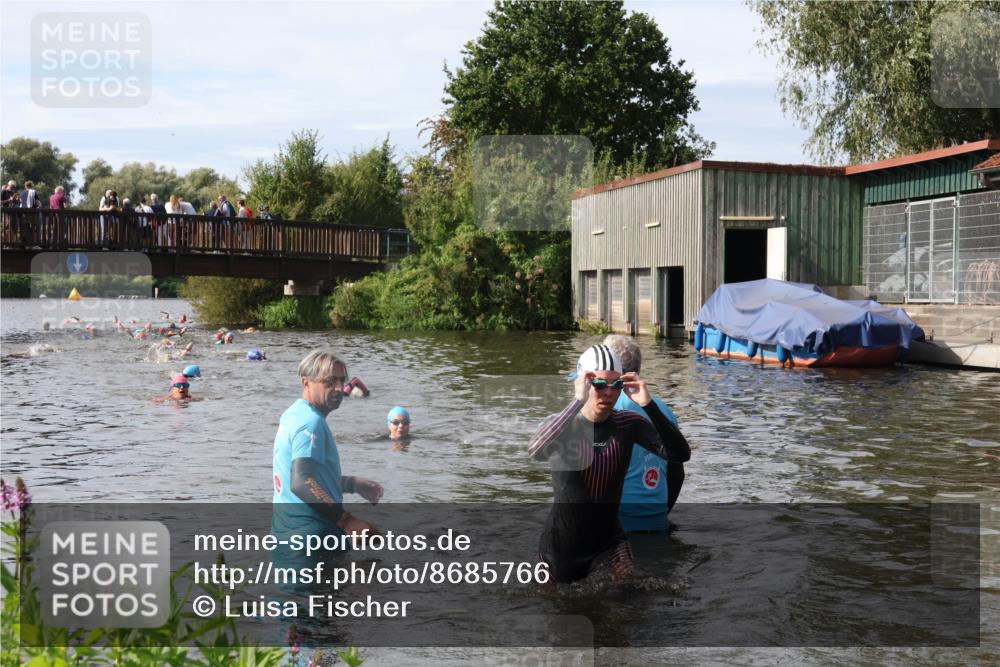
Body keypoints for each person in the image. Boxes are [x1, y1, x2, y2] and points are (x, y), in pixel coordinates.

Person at [527, 344, 690, 585]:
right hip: (560, 549)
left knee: (627, 609)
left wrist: (649, 406)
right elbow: (535, 451)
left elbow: (680, 455)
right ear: (583, 382)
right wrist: (576, 402)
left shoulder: (628, 424)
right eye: (599, 384)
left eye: (616, 385)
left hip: (609, 544)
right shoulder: (563, 425)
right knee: (553, 614)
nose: (608, 392)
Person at [271, 351, 384, 544]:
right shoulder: (310, 423)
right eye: (330, 382)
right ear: (306, 383)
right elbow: (302, 482)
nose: (340, 388)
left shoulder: (294, 414)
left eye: (342, 381)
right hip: (310, 538)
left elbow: (306, 477)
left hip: (288, 533)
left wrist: (351, 484)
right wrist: (347, 522)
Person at [604, 335, 684, 533]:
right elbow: (677, 474)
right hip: (656, 521)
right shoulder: (663, 411)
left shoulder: (605, 408)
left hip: (616, 527)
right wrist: (662, 514)